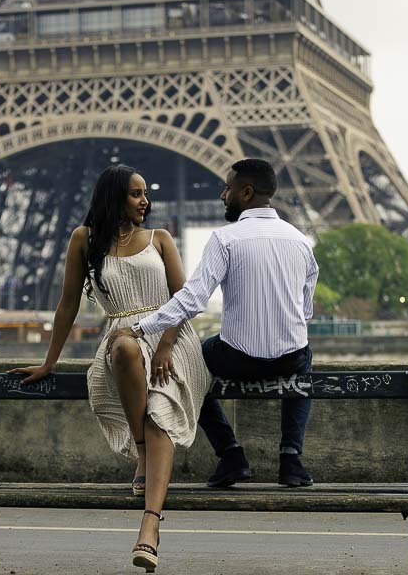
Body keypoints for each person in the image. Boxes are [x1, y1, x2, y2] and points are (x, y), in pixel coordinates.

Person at [9, 164, 211, 572]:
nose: (145, 201)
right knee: (122, 346)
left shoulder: (160, 238)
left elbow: (185, 299)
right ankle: (142, 452)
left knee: (160, 410)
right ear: (114, 196)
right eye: (136, 194)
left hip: (170, 338)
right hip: (123, 339)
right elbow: (67, 304)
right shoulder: (84, 240)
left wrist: (165, 346)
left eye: (145, 193)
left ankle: (149, 527)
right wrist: (51, 361)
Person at [109, 158, 319, 488]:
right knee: (305, 357)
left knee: (190, 360)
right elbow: (305, 312)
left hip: (236, 358)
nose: (223, 195)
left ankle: (230, 453)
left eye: (228, 189)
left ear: (246, 193)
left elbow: (192, 300)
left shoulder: (226, 239)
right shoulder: (300, 242)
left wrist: (138, 328)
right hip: (290, 359)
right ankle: (291, 458)